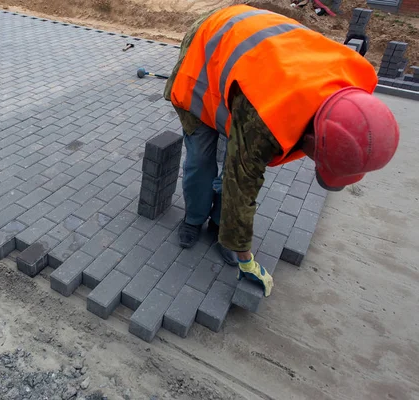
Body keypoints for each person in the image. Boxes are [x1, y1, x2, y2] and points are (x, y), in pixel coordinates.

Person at [163, 4, 400, 297]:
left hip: (246, 71)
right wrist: (246, 257)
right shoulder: (268, 116)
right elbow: (243, 181)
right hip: (206, 50)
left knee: (231, 160)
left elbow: (240, 170)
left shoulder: (348, 89)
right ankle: (194, 219)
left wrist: (231, 234)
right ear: (314, 141)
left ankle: (220, 225)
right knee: (202, 160)